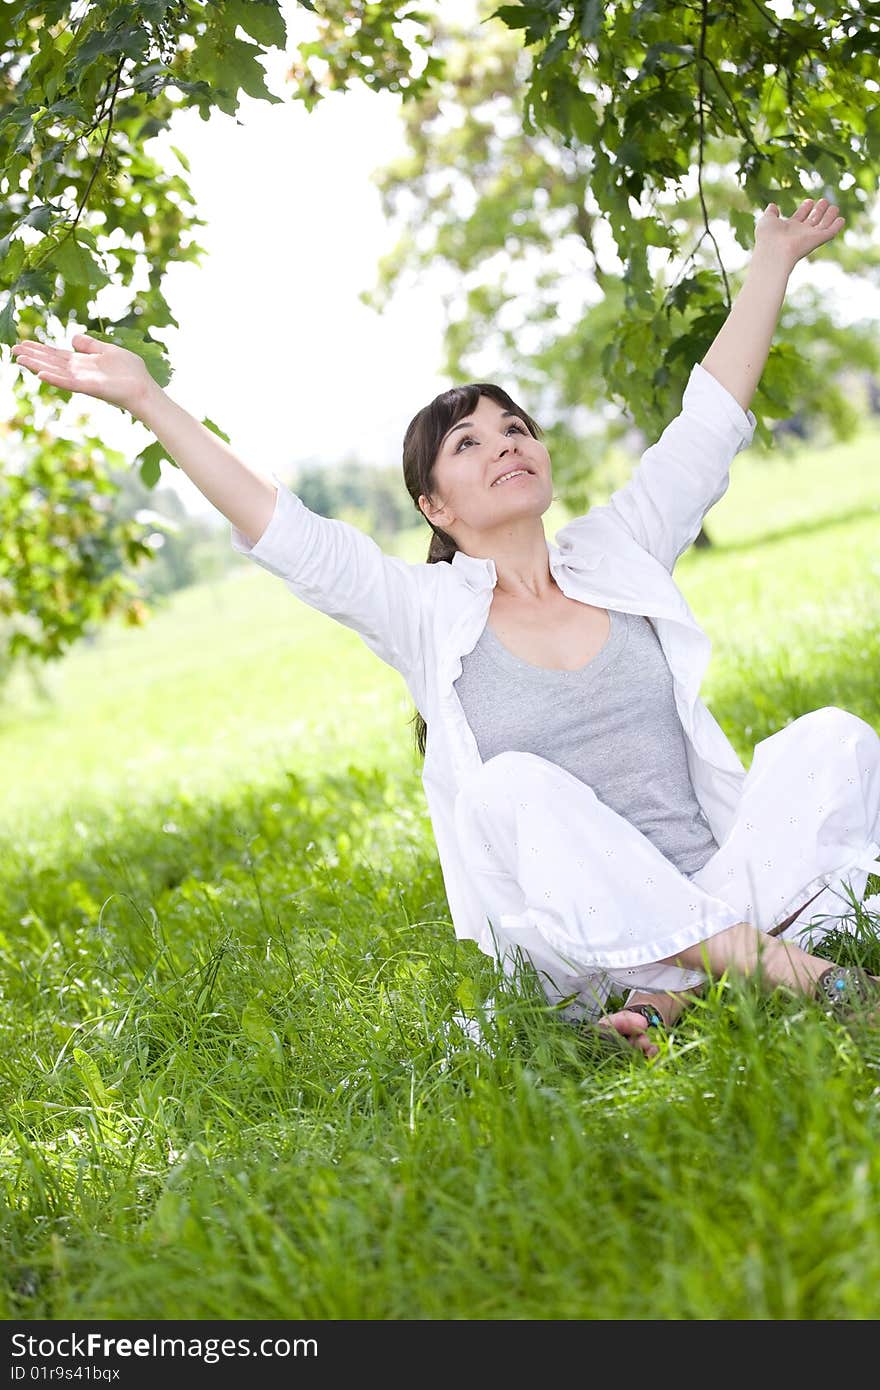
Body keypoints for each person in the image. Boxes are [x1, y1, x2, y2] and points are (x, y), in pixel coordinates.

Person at [11, 193, 880, 1060]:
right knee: (508, 792)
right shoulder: (426, 617)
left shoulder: (621, 549)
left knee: (833, 740)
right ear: (433, 505)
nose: (505, 443)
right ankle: (791, 971)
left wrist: (771, 261)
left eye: (514, 428)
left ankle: (669, 990)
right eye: (468, 443)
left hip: (717, 878)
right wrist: (148, 400)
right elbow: (286, 530)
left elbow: (707, 427)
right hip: (577, 923)